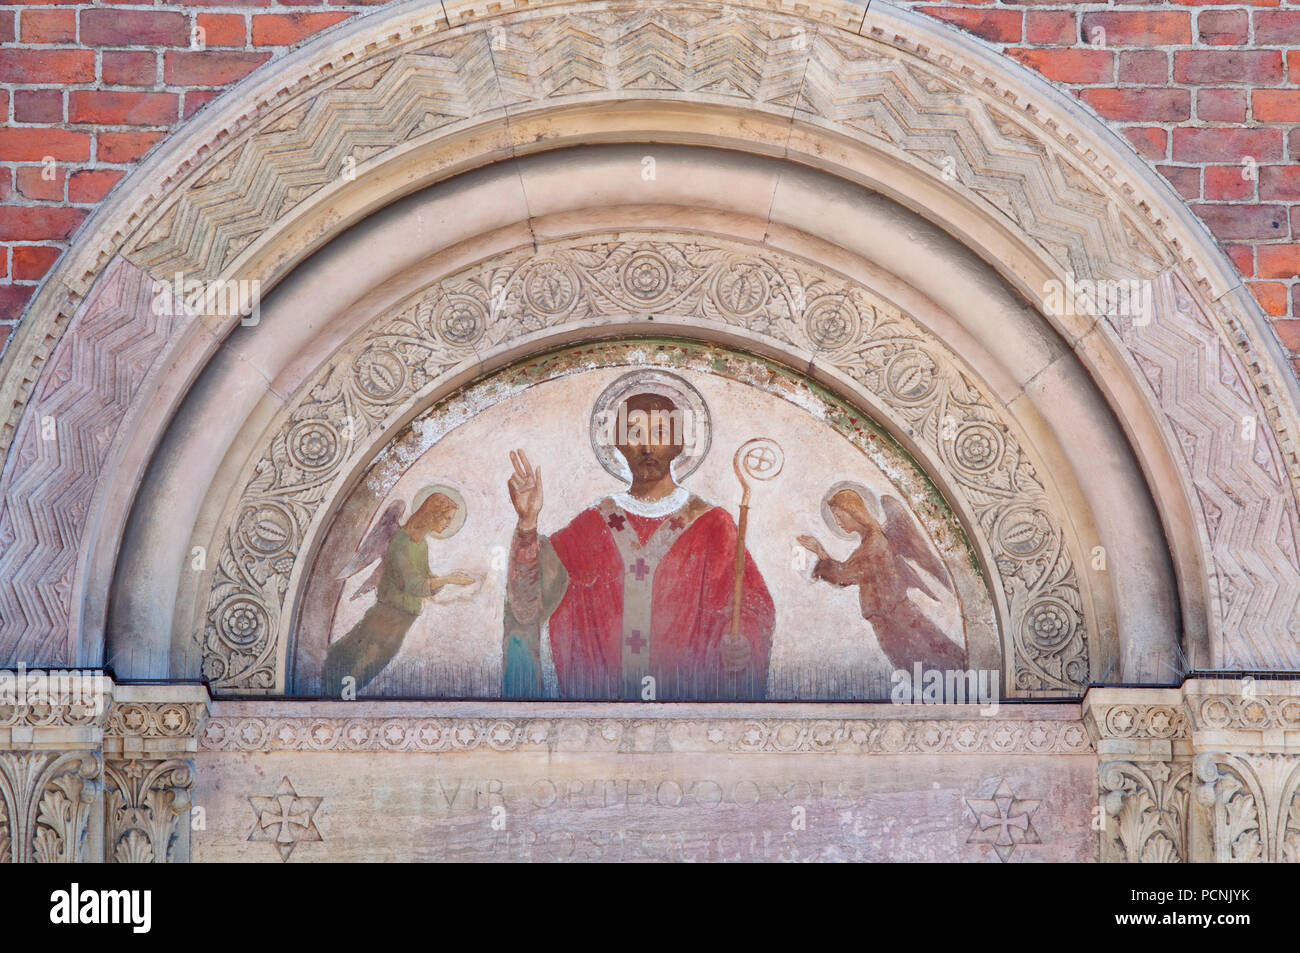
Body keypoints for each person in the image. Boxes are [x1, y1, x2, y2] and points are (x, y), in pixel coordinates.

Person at [502, 380, 774, 700]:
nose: (647, 447)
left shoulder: (714, 525)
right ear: (618, 445)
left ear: (678, 443)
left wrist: (745, 644)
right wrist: (527, 523)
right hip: (603, 715)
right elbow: (527, 603)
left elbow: (755, 608)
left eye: (660, 433)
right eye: (634, 435)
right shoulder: (590, 527)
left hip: (689, 711)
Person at [797, 486, 965, 671]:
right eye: (835, 517)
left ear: (854, 513)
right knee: (925, 666)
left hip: (898, 621)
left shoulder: (874, 544)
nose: (838, 522)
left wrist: (820, 552)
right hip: (890, 621)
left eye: (840, 516)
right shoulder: (870, 541)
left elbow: (844, 575)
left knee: (931, 664)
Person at [323, 490, 473, 695]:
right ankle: (331, 691)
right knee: (362, 658)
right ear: (432, 514)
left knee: (376, 663)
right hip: (388, 615)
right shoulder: (401, 541)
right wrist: (447, 579)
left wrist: (448, 580)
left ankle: (340, 693)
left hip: (404, 619)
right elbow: (412, 584)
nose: (447, 523)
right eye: (446, 517)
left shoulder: (421, 545)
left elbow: (426, 579)